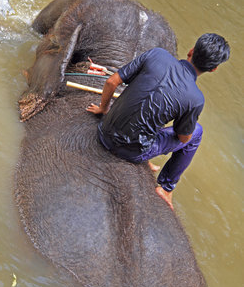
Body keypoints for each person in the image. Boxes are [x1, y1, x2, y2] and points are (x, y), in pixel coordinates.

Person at [86, 33, 230, 210]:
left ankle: (150, 160)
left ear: (191, 51)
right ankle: (167, 186)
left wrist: (103, 109)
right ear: (213, 69)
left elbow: (111, 81)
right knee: (196, 133)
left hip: (104, 131)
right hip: (129, 152)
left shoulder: (157, 54)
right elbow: (183, 138)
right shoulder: (196, 99)